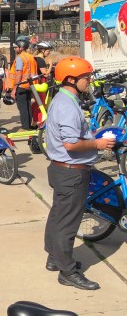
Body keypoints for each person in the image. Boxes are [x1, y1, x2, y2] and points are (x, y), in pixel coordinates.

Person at [43, 57, 114, 291]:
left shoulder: (63, 99)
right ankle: (68, 272)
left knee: (58, 216)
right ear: (71, 79)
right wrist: (98, 144)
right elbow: (71, 145)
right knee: (68, 223)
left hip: (61, 169)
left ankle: (55, 258)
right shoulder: (68, 105)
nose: (89, 81)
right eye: (86, 77)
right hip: (71, 173)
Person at [6, 38, 38, 130]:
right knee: (28, 106)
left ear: (21, 48)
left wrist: (14, 89)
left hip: (21, 86)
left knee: (23, 108)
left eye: (16, 47)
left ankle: (26, 127)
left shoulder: (20, 58)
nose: (14, 49)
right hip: (30, 85)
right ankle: (29, 125)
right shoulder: (31, 57)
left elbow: (19, 73)